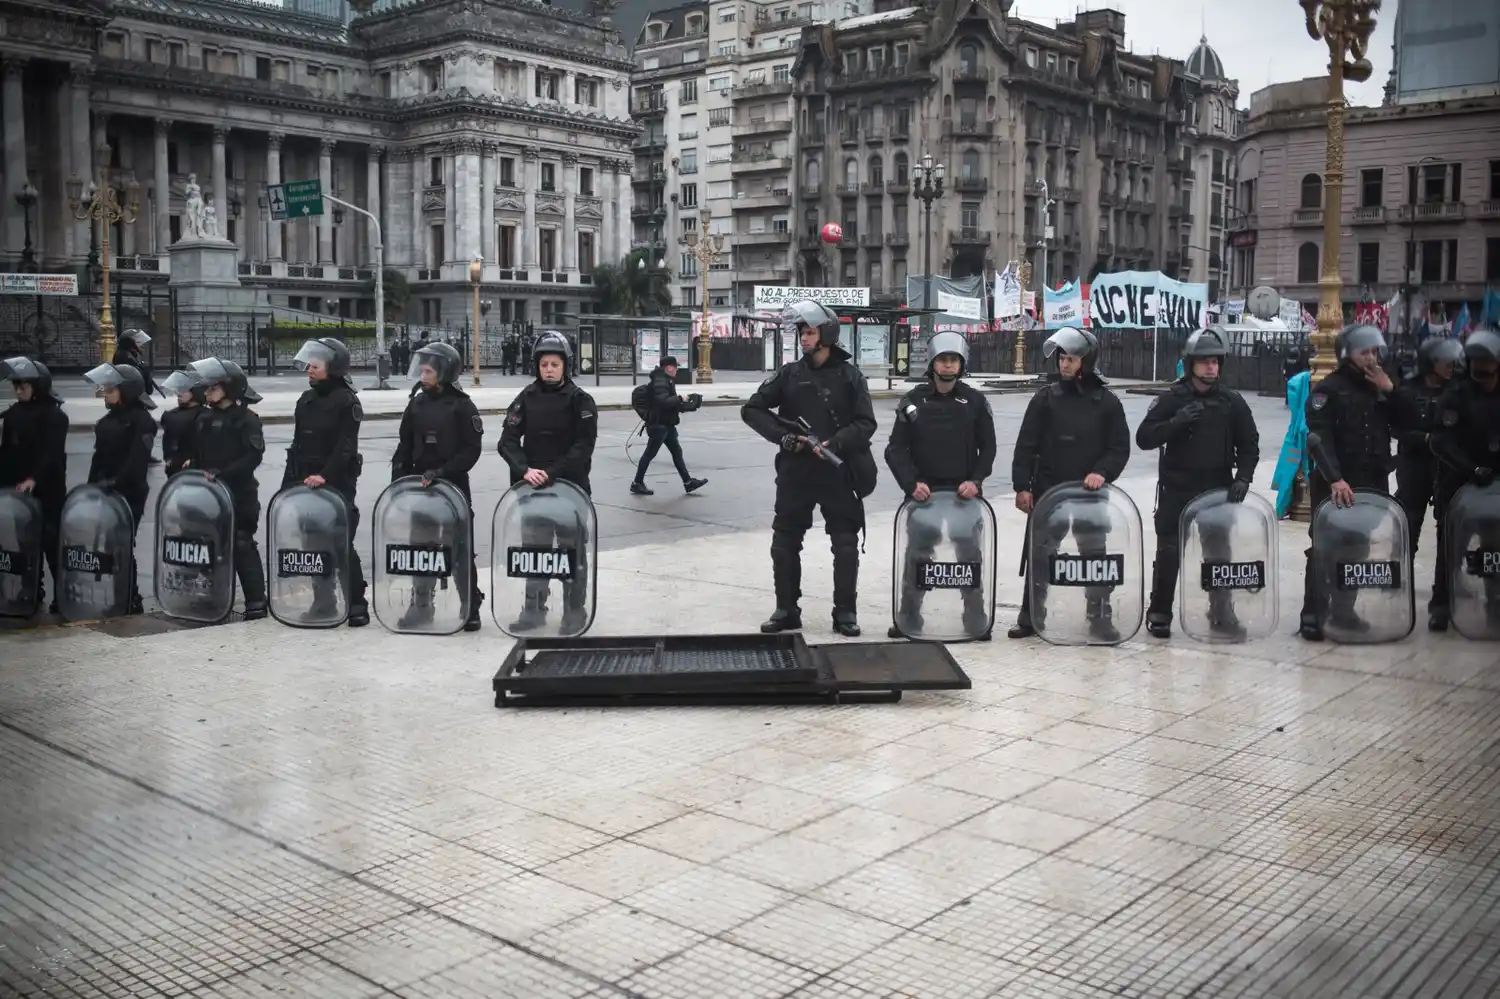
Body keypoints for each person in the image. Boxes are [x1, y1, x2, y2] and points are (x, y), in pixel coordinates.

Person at [742, 300, 877, 636]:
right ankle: (786, 609)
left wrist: (837, 443)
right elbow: (753, 409)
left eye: (811, 331)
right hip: (796, 472)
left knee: (845, 543)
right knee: (784, 541)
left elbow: (866, 423)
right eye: (801, 331)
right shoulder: (790, 374)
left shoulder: (851, 376)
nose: (804, 337)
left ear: (827, 335)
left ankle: (845, 612)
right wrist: (785, 438)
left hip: (837, 471)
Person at [1134, 326, 1261, 639]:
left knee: (1219, 555)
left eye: (1216, 362)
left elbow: (1249, 444)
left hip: (1217, 490)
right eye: (1205, 361)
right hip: (1177, 489)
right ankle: (1160, 612)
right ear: (1191, 364)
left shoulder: (1232, 402)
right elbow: (1144, 437)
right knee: (1168, 552)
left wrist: (1243, 477)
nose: (1211, 367)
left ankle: (1221, 612)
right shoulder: (1173, 399)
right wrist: (1176, 423)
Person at [1009, 327, 1131, 641]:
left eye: (1072, 358)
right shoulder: (1045, 398)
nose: (1064, 364)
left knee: (1094, 556)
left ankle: (1100, 617)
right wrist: (1022, 486)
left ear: (1086, 361)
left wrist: (1102, 472)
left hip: (1090, 493)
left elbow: (1119, 447)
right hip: (1048, 489)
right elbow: (1026, 445)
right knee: (1040, 553)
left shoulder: (1106, 402)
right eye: (1062, 357)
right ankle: (1032, 615)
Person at [884, 331, 997, 639]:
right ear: (933, 364)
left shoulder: (975, 401)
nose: (948, 366)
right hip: (924, 494)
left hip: (965, 494)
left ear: (961, 365)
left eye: (953, 361)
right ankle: (909, 616)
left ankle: (975, 616)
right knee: (918, 556)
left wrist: (975, 481)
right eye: (943, 360)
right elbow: (895, 449)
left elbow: (988, 448)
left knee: (969, 555)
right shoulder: (913, 401)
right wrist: (911, 484)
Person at [1299, 323, 1395, 641]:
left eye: (1373, 351)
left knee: (1357, 548)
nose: (1370, 357)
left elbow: (1410, 422)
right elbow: (1317, 437)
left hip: (1372, 481)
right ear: (1346, 354)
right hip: (1336, 482)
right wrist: (1335, 478)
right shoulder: (1329, 389)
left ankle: (1343, 611)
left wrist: (1391, 390)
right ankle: (1312, 613)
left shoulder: (1380, 386)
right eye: (1363, 351)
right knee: (1326, 547)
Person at [498, 331, 599, 632]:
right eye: (544, 364)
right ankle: (533, 610)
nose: (549, 369)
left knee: (572, 555)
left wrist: (552, 472)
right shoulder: (526, 398)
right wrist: (525, 469)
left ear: (565, 365)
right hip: (533, 490)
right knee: (534, 553)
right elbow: (507, 440)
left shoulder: (581, 401)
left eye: (555, 364)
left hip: (570, 490)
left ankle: (573, 611)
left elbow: (583, 447)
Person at [393, 340, 485, 631]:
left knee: (459, 548)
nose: (422, 371)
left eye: (429, 367)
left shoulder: (462, 406)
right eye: (421, 366)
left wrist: (443, 472)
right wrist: (398, 480)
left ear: (444, 371)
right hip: (420, 488)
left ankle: (469, 606)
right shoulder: (416, 404)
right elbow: (404, 445)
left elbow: (471, 450)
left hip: (453, 486)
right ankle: (421, 606)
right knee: (421, 547)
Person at [285, 337, 369, 627]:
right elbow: (296, 446)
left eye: (315, 365)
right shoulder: (305, 400)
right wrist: (289, 488)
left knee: (339, 542)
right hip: (305, 482)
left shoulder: (346, 400)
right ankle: (323, 602)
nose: (309, 369)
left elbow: (346, 447)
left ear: (332, 368)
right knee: (312, 544)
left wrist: (325, 475)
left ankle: (357, 604)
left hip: (336, 482)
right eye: (308, 364)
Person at [182, 357, 269, 620]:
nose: (207, 392)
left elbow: (254, 456)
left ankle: (256, 602)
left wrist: (224, 474)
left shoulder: (247, 419)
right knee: (208, 544)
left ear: (230, 388)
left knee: (242, 544)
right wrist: (192, 467)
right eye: (206, 388)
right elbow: (198, 453)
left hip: (239, 493)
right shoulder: (205, 418)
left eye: (213, 387)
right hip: (209, 494)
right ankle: (213, 598)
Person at [1390, 335, 1464, 628]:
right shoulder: (1409, 391)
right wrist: (1426, 439)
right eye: (1445, 361)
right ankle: (1398, 589)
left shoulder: (1457, 391)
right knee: (1409, 528)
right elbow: (1396, 428)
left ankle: (1442, 602)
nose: (1451, 366)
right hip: (1415, 466)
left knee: (1449, 534)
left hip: (1449, 469)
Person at [1430, 326, 1500, 632]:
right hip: (1460, 481)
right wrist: (1471, 469)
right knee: (1451, 546)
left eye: (1488, 366)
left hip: (1497, 484)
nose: (1482, 371)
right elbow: (1441, 441)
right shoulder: (1456, 395)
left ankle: (1495, 603)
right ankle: (1441, 606)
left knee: (1494, 548)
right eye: (1477, 365)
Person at [82, 362, 158, 615]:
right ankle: (115, 592)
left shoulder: (142, 421)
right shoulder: (106, 422)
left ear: (126, 390)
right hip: (104, 491)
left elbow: (138, 460)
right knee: (106, 545)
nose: (106, 392)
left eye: (111, 389)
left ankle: (131, 596)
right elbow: (98, 458)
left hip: (129, 493)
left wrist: (116, 483)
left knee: (123, 543)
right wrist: (91, 486)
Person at [0, 357, 69, 614]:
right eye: (15, 386)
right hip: (18, 490)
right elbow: (7, 451)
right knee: (23, 542)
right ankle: (29, 589)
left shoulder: (55, 415)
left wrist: (34, 478)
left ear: (38, 386)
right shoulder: (14, 414)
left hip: (46, 488)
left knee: (50, 541)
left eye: (24, 386)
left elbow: (52, 454)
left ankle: (62, 594)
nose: (18, 391)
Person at [630, 356, 708, 496]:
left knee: (677, 452)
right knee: (649, 454)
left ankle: (688, 482)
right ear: (669, 367)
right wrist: (679, 398)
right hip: (659, 425)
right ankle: (637, 483)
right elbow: (663, 402)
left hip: (667, 424)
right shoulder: (661, 381)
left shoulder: (665, 380)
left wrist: (686, 405)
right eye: (675, 367)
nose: (677, 370)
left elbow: (668, 404)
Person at [159, 368, 205, 477]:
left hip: (193, 468)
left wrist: (193, 460)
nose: (179, 393)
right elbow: (167, 440)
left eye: (184, 389)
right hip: (173, 467)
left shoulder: (204, 416)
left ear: (196, 392)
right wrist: (168, 458)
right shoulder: (170, 415)